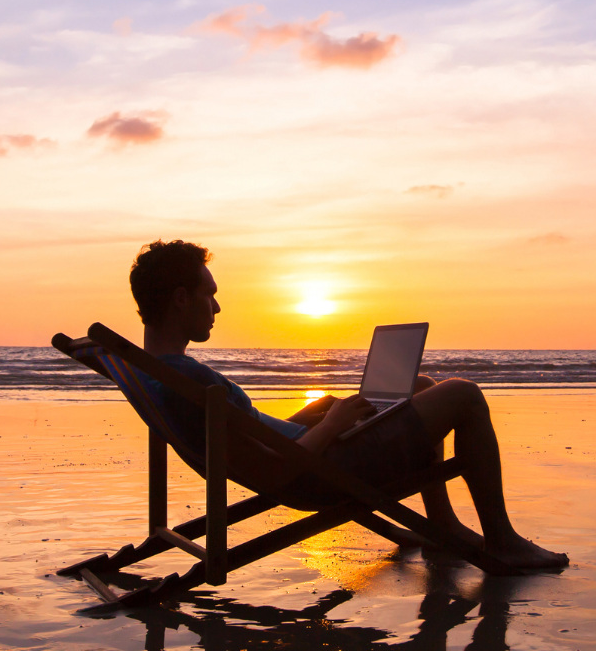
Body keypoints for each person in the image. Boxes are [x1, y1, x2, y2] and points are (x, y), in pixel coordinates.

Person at [130, 239, 567, 570]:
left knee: (420, 384)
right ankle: (502, 542)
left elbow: (253, 440)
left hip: (312, 451)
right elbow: (274, 470)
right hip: (321, 472)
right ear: (181, 298)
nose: (218, 306)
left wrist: (318, 413)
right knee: (462, 395)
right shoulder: (188, 379)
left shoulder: (153, 372)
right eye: (209, 294)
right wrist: (331, 424)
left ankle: (442, 524)